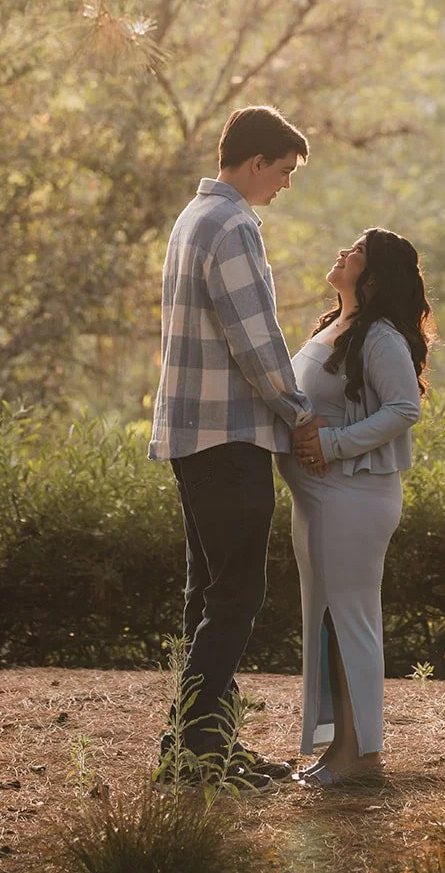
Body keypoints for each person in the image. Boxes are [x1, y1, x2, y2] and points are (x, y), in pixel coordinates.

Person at [149, 105, 314, 791]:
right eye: (282, 172)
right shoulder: (233, 224)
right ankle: (190, 753)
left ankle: (205, 748)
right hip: (228, 436)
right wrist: (297, 411)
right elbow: (255, 337)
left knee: (208, 597)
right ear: (255, 163)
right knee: (237, 597)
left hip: (193, 438)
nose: (282, 186)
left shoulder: (193, 218)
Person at [281, 228, 432, 786]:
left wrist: (332, 444)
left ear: (373, 276)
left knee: (351, 622)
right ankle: (336, 746)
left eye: (357, 252)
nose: (342, 253)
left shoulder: (381, 336)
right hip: (317, 497)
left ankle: (361, 757)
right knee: (326, 621)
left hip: (353, 496)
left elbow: (402, 408)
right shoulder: (333, 327)